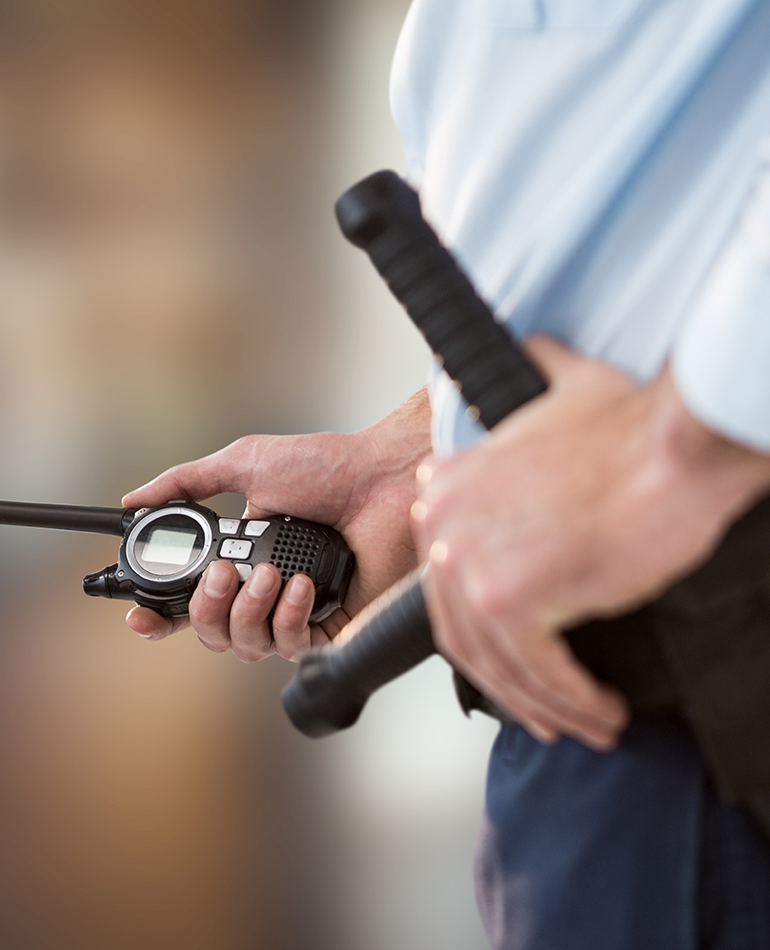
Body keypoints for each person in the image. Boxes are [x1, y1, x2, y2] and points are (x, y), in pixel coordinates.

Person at [122, 0, 770, 946]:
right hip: (578, 725)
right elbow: (596, 222)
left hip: (705, 677)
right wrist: (415, 455)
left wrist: (684, 447)